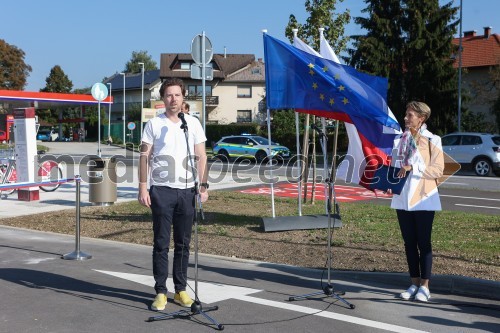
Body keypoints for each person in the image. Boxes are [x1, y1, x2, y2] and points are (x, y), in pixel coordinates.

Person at [138, 78, 209, 311]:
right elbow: (144, 157)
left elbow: (201, 155)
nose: (173, 99)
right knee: (161, 243)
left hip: (187, 192)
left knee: (183, 244)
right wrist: (142, 187)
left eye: (177, 95)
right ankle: (160, 291)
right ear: (163, 98)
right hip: (161, 191)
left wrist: (204, 186)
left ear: (183, 97)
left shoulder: (192, 123)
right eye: (169, 95)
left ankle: (180, 290)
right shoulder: (153, 125)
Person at [387, 101, 444, 303]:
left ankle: (425, 286)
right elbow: (395, 168)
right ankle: (413, 283)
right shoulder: (400, 140)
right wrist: (390, 182)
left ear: (422, 118)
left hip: (423, 199)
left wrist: (414, 168)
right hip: (402, 199)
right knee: (409, 243)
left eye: (410, 115)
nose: (405, 118)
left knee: (424, 243)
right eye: (406, 114)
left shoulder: (432, 140)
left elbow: (438, 170)